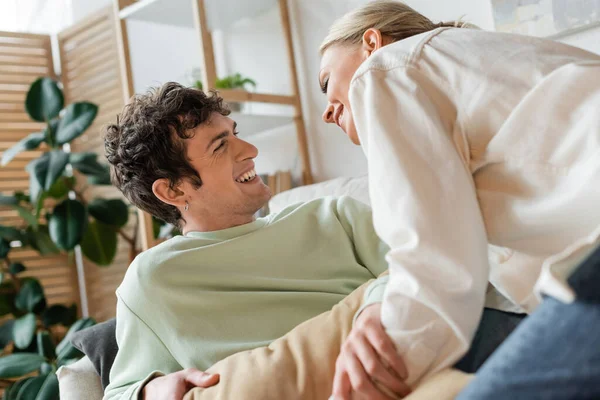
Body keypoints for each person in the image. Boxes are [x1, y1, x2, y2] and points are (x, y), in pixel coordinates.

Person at [318, 1, 600, 399]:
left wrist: (370, 378)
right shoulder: (473, 66)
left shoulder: (384, 71)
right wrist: (378, 303)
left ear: (370, 43)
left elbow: (434, 264)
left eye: (325, 82)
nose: (326, 114)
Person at [102, 82, 408, 400]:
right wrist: (151, 391)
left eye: (235, 133)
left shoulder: (334, 214)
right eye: (220, 146)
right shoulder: (153, 281)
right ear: (174, 191)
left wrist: (376, 306)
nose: (250, 150)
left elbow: (423, 267)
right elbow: (119, 394)